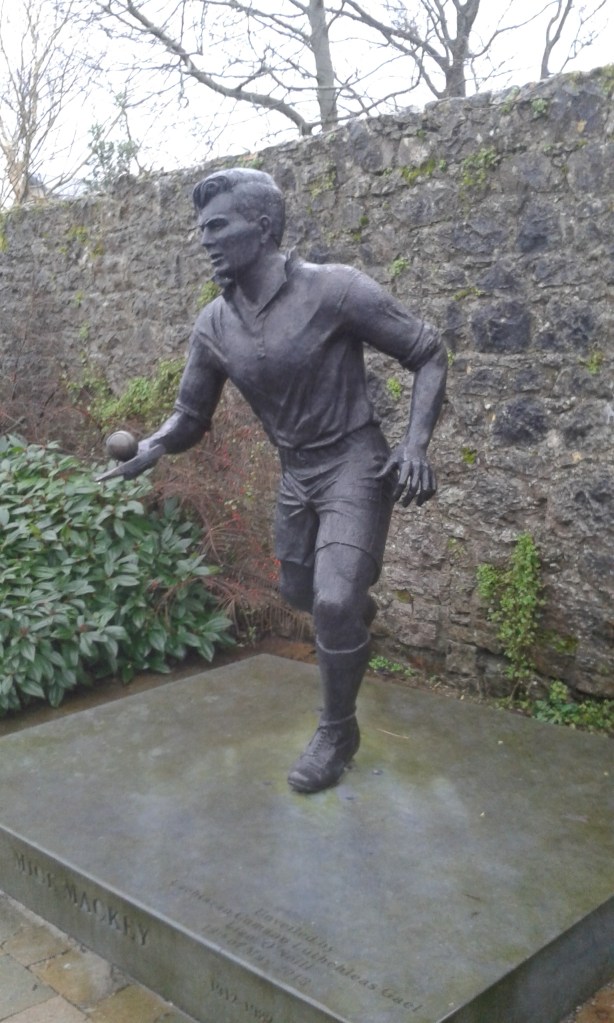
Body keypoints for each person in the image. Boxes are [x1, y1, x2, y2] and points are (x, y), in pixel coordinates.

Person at [102, 167, 447, 794]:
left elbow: (427, 351)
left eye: (217, 226)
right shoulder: (214, 324)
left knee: (333, 604)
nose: (204, 239)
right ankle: (348, 614)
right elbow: (190, 416)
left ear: (262, 228)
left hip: (354, 462)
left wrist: (415, 444)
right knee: (300, 592)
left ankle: (337, 731)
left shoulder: (335, 290)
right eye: (201, 229)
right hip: (296, 473)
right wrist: (153, 446)